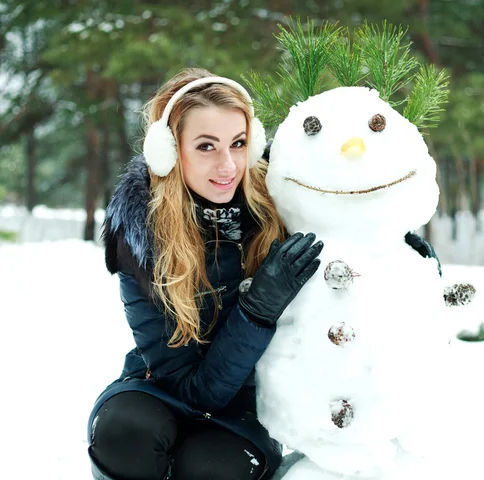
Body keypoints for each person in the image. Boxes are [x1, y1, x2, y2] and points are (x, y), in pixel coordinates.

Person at [87, 67, 441, 480]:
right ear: (168, 149)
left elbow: (349, 240)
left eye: (238, 144)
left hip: (247, 406)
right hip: (162, 388)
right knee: (125, 435)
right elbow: (192, 387)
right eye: (206, 146)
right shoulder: (141, 234)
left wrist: (397, 252)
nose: (227, 165)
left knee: (210, 469)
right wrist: (258, 309)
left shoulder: (281, 200)